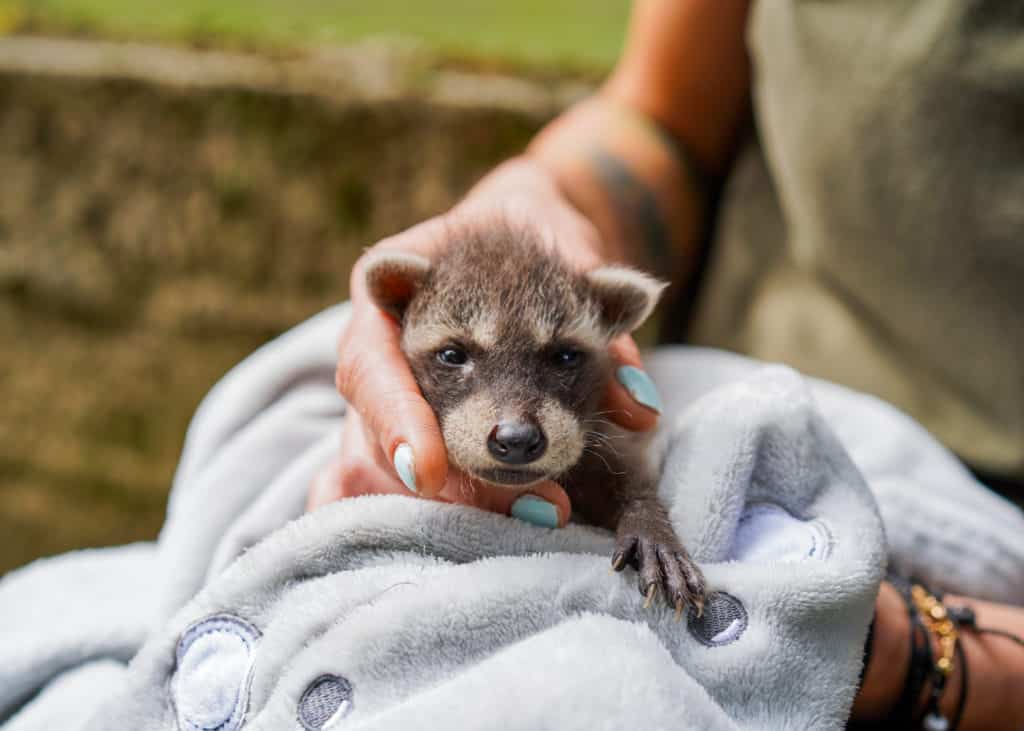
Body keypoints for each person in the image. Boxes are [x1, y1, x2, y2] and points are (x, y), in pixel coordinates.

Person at [308, 1, 1024, 727]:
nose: (514, 424)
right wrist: (546, 191)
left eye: (560, 360)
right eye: (456, 358)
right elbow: (662, 121)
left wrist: (922, 659)